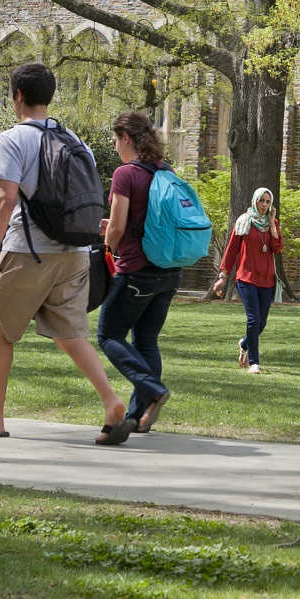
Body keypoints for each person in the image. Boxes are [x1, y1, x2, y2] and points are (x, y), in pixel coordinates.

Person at [0, 62, 126, 443]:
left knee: (1, 331)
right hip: (77, 251)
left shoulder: (13, 139)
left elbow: (5, 199)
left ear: (16, 94)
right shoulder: (76, 140)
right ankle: (112, 401)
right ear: (49, 96)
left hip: (28, 251)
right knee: (69, 332)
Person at [100, 111, 179, 438]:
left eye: (116, 139)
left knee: (108, 335)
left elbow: (117, 227)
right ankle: (136, 417)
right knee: (146, 340)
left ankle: (153, 389)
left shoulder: (125, 174)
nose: (115, 146)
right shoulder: (166, 171)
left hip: (136, 272)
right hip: (170, 272)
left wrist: (108, 247)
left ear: (126, 138)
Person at [212, 188, 283, 374]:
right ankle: (254, 362)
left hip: (266, 279)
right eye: (262, 201)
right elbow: (231, 249)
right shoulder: (243, 221)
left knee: (262, 323)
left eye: (268, 202)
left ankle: (244, 343)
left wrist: (273, 225)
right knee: (254, 319)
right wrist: (223, 275)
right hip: (246, 277)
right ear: (255, 201)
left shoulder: (271, 223)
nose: (265, 205)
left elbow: (277, 247)